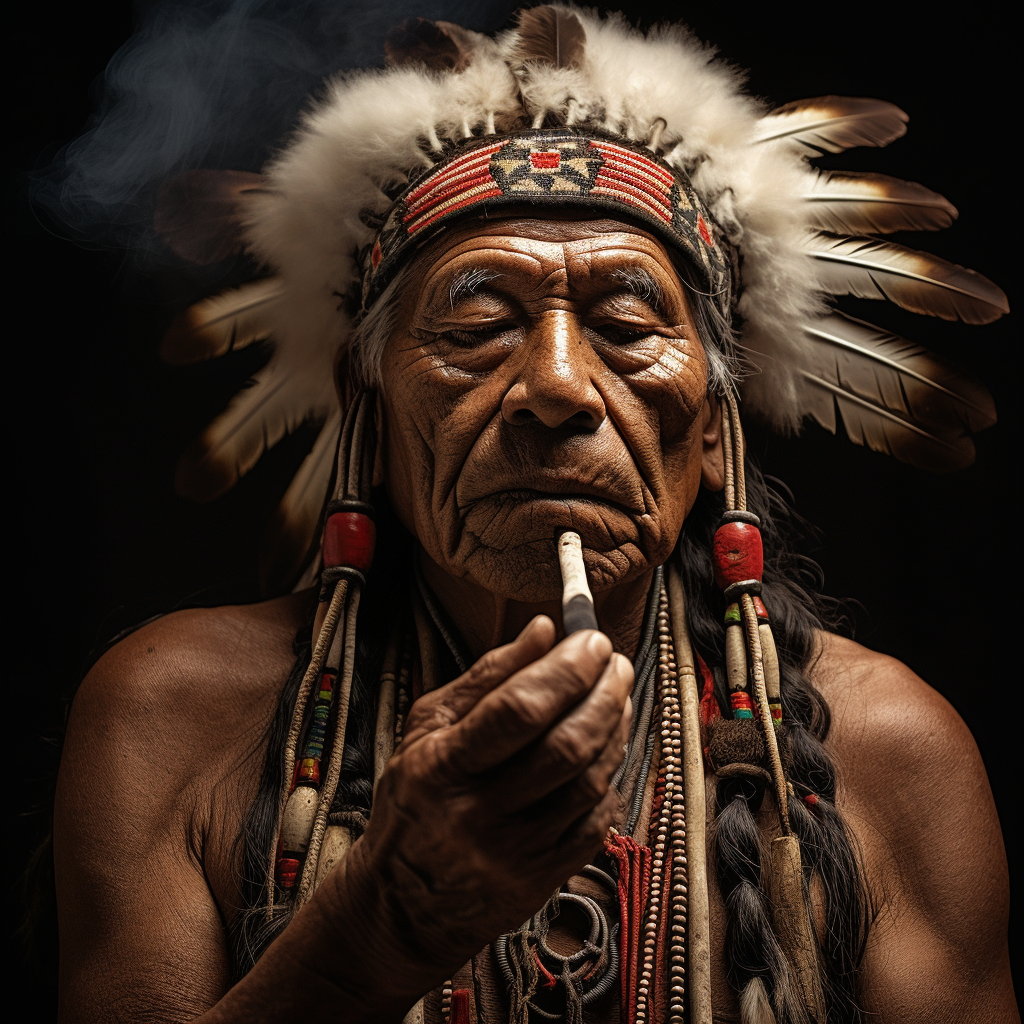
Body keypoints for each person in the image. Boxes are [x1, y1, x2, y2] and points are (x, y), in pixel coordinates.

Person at [40, 5, 1016, 1023]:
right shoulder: (176, 718)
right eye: (478, 323)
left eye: (627, 324)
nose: (557, 385)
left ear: (717, 422)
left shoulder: (888, 753)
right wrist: (372, 936)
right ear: (367, 401)